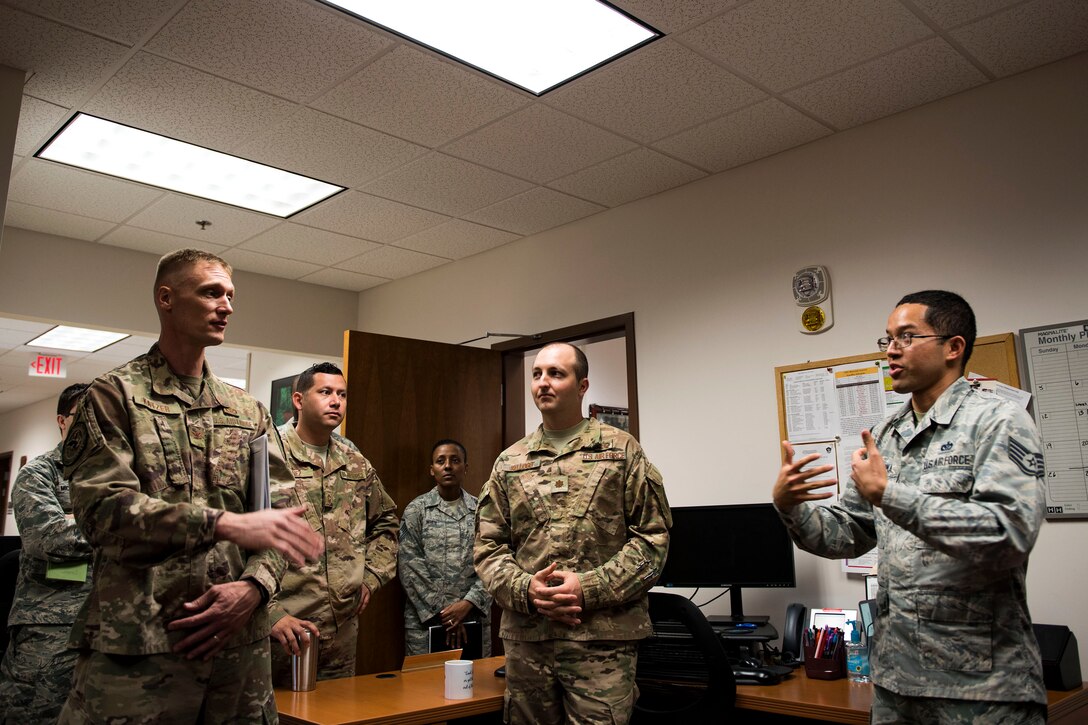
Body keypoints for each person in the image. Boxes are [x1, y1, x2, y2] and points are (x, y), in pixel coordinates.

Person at [57, 249, 324, 724]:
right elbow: (102, 513)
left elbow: (281, 521)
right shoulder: (113, 395)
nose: (226, 306)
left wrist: (254, 589)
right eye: (210, 292)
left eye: (230, 295)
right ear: (166, 299)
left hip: (238, 655)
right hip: (141, 652)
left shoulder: (247, 411)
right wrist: (224, 525)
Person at [773, 290, 1047, 724]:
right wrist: (790, 506)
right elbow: (846, 533)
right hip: (896, 684)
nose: (891, 350)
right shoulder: (884, 434)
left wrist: (890, 495)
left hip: (981, 690)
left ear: (953, 347)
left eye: (906, 337)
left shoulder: (997, 420)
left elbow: (1008, 535)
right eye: (887, 339)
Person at [474, 342, 671, 724]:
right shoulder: (510, 461)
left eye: (556, 374)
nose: (543, 383)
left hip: (602, 641)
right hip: (529, 639)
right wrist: (525, 588)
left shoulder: (621, 450)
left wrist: (588, 587)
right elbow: (487, 547)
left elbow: (653, 541)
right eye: (537, 374)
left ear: (582, 386)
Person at [268, 362, 399, 681]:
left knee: (335, 714)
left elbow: (387, 523)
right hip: (279, 632)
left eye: (342, 394)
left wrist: (371, 576)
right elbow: (232, 541)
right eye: (325, 392)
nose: (336, 401)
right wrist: (269, 614)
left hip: (340, 633)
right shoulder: (268, 454)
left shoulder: (353, 461)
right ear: (298, 400)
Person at [0, 384, 92, 724]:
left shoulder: (123, 479)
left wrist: (78, 523)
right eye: (83, 416)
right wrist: (121, 526)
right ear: (62, 422)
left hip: (110, 625)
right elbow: (48, 540)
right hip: (51, 629)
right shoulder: (39, 474)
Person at [399, 439, 492, 657]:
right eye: (441, 461)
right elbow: (409, 567)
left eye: (455, 460)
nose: (448, 466)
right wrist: (447, 614)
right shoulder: (416, 510)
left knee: (476, 687)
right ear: (432, 470)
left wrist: (469, 603)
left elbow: (492, 561)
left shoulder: (482, 511)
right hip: (425, 624)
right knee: (424, 688)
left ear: (465, 468)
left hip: (472, 619)